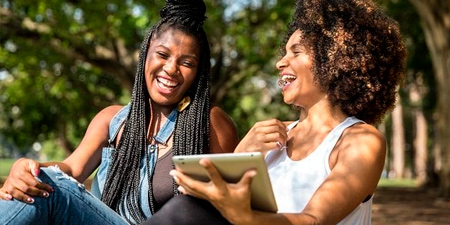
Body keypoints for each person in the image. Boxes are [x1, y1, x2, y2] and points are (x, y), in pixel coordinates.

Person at [146, 0, 407, 224]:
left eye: (296, 52)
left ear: (337, 60)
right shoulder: (272, 134)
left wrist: (242, 216)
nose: (281, 63)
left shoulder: (361, 140)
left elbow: (313, 220)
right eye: (284, 52)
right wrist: (242, 153)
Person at [0, 0, 238, 224]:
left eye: (187, 63)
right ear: (145, 55)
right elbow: (71, 169)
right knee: (39, 181)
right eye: (163, 55)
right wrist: (28, 170)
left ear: (198, 72)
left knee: (54, 187)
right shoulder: (112, 120)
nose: (171, 69)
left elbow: (229, 209)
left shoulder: (211, 123)